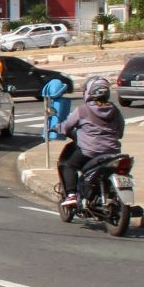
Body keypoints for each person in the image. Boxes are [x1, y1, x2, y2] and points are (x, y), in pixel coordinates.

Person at [56, 75, 125, 208]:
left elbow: (67, 126)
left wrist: (56, 128)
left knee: (70, 166)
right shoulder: (114, 110)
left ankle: (71, 194)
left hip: (89, 152)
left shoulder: (83, 110)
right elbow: (120, 131)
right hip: (113, 152)